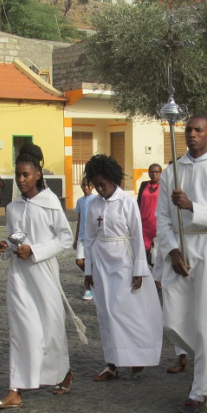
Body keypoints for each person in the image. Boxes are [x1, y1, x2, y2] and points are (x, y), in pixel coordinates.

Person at [155, 114, 207, 413]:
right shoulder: (171, 171)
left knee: (205, 323)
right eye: (188, 129)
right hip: (179, 248)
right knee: (173, 320)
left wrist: (193, 207)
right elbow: (162, 217)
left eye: (198, 130)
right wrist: (172, 250)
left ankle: (198, 391)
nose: (191, 134)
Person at [0, 144, 74, 409]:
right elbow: (12, 237)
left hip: (44, 274)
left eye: (26, 174)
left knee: (51, 329)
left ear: (37, 174)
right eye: (17, 175)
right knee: (22, 329)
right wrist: (4, 248)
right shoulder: (13, 207)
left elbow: (65, 238)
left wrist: (35, 251)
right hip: (19, 278)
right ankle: (15, 389)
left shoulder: (50, 204)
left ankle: (62, 372)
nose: (21, 180)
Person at [84, 155, 163, 381]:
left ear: (113, 179)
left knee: (125, 312)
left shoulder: (126, 202)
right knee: (106, 313)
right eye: (96, 184)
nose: (100, 189)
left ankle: (136, 357)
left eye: (103, 184)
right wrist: (88, 269)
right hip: (100, 262)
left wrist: (138, 269)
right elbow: (88, 238)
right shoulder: (93, 205)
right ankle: (112, 364)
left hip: (123, 262)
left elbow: (137, 236)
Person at [74, 177, 95, 300]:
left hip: (92, 237)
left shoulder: (96, 200)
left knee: (90, 261)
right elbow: (79, 219)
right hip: (82, 236)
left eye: (88, 185)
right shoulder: (80, 201)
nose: (85, 188)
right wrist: (76, 238)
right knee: (79, 261)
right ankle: (92, 276)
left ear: (92, 186)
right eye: (83, 185)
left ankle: (89, 287)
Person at [137, 164, 162, 266]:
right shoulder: (144, 185)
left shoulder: (164, 186)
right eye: (152, 171)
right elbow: (138, 202)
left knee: (156, 254)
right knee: (143, 253)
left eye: (157, 172)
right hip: (144, 224)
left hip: (157, 224)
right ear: (148, 173)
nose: (154, 174)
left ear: (160, 173)